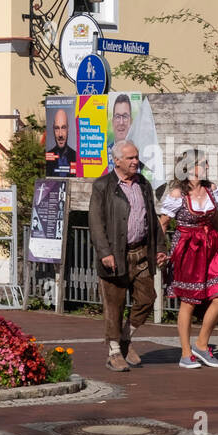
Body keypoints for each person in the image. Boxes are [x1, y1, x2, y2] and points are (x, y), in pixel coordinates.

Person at [159, 149, 218, 369]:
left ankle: (201, 345)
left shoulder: (211, 190)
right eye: (203, 163)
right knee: (188, 301)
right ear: (189, 168)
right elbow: (163, 224)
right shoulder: (177, 194)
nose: (207, 167)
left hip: (212, 247)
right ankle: (185, 352)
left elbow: (216, 219)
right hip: (189, 249)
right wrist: (160, 250)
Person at [88, 139, 167, 372]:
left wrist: (160, 248)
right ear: (117, 160)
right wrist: (105, 252)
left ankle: (124, 338)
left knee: (147, 298)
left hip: (141, 252)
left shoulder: (143, 184)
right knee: (115, 304)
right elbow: (95, 222)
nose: (135, 161)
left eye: (136, 157)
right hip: (115, 255)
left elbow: (152, 219)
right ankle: (114, 352)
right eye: (131, 158)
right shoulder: (103, 186)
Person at [45, 108, 76, 174]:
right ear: (53, 129)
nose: (60, 134)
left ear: (68, 129)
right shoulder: (48, 158)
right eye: (57, 128)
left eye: (63, 128)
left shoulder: (75, 156)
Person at [107, 94, 133, 170]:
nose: (121, 122)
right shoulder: (104, 153)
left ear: (131, 121)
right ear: (112, 122)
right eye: (117, 117)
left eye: (125, 116)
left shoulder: (138, 152)